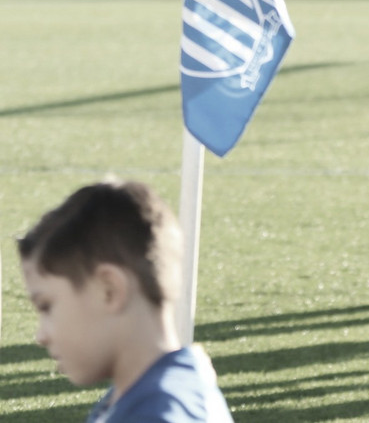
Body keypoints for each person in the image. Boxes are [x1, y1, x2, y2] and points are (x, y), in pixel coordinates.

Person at [17, 179, 235, 422]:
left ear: (109, 290)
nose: (41, 336)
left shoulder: (159, 414)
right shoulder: (138, 394)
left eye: (46, 306)